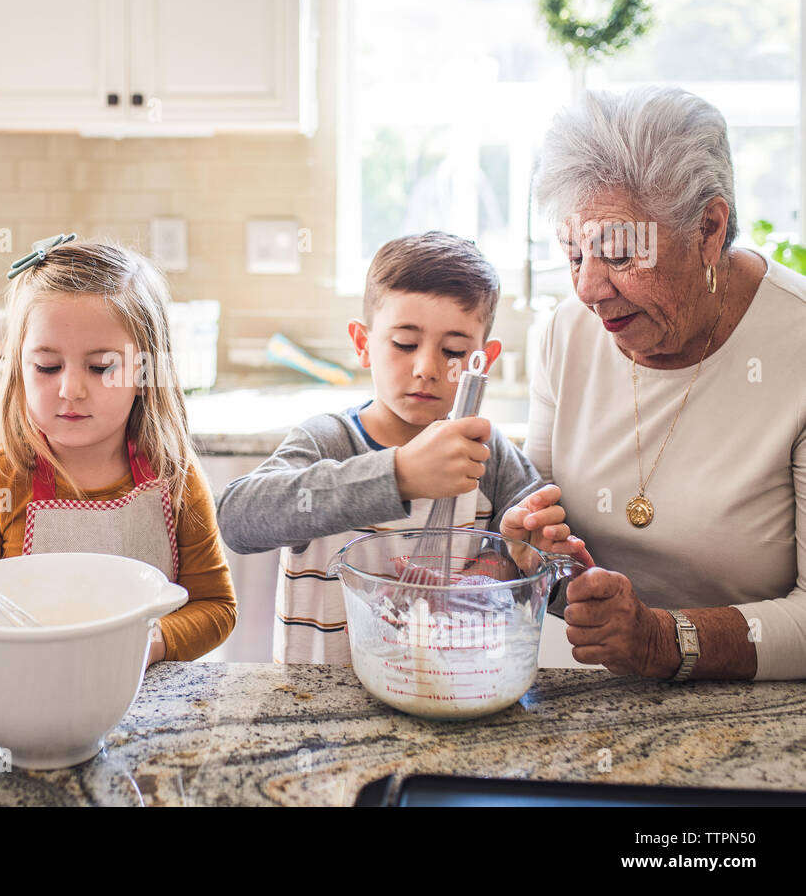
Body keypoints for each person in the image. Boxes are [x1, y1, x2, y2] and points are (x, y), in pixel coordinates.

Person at [527, 85, 806, 681]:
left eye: (621, 255)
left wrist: (662, 640)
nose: (588, 289)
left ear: (709, 228)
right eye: (575, 254)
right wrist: (526, 557)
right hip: (586, 706)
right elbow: (540, 542)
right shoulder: (564, 335)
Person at [216, 232, 588, 664]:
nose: (426, 368)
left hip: (452, 701)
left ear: (481, 360)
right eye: (404, 344)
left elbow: (566, 594)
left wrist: (530, 562)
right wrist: (399, 475)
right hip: (322, 709)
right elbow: (236, 519)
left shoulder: (490, 457)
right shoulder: (329, 441)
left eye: (453, 349)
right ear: (362, 344)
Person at [0, 237, 236, 663]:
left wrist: (149, 642)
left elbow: (217, 608)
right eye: (47, 367)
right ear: (19, 369)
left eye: (101, 368)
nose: (71, 389)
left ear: (145, 371)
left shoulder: (174, 477)